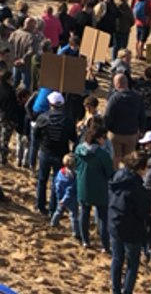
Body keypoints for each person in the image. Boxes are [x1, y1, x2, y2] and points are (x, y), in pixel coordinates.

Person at [109, 151, 151, 294]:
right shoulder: (137, 188)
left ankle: (115, 290)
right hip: (132, 230)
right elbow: (143, 212)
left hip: (115, 223)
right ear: (141, 168)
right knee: (132, 264)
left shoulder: (117, 177)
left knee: (117, 259)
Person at [35, 91, 78, 215]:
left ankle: (40, 205)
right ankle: (53, 208)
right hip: (61, 153)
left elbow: (36, 134)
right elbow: (73, 137)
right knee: (56, 181)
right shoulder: (68, 120)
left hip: (45, 151)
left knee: (42, 179)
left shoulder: (43, 117)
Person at [76, 118, 115, 252]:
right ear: (98, 139)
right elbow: (110, 173)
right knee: (103, 217)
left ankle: (85, 240)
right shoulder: (102, 154)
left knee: (84, 213)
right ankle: (105, 245)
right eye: (104, 137)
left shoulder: (79, 149)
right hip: (100, 188)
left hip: (83, 186)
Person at [106, 72, 145, 165]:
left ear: (117, 84)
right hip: (131, 134)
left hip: (116, 134)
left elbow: (108, 115)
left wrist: (106, 128)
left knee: (115, 159)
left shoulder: (115, 98)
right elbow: (142, 115)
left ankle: (115, 177)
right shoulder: (137, 97)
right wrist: (142, 130)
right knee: (129, 160)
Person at [50, 153, 82, 241]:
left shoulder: (61, 172)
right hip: (71, 199)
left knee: (59, 211)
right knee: (73, 215)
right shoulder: (73, 177)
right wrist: (65, 199)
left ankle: (53, 222)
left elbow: (57, 185)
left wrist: (59, 197)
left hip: (60, 196)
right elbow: (70, 190)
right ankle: (76, 233)